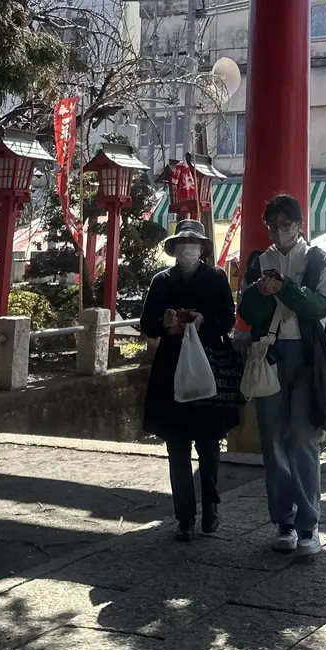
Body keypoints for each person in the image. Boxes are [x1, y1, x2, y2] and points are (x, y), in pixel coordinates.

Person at [238, 193, 326, 556]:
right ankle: (283, 520)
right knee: (273, 439)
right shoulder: (258, 262)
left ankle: (309, 524)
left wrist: (285, 289)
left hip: (308, 358)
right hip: (270, 355)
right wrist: (260, 291)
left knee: (302, 437)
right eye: (273, 225)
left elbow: (321, 306)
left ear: (300, 224)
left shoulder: (318, 260)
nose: (279, 231)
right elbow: (247, 312)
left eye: (286, 224)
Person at [139, 219, 239, 539]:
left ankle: (211, 507)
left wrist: (202, 320)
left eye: (193, 244)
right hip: (171, 368)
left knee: (209, 445)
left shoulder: (216, 278)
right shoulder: (161, 281)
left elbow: (228, 318)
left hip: (208, 364)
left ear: (202, 249)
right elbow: (147, 325)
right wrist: (164, 320)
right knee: (177, 448)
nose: (187, 249)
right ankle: (184, 516)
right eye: (182, 244)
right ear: (175, 249)